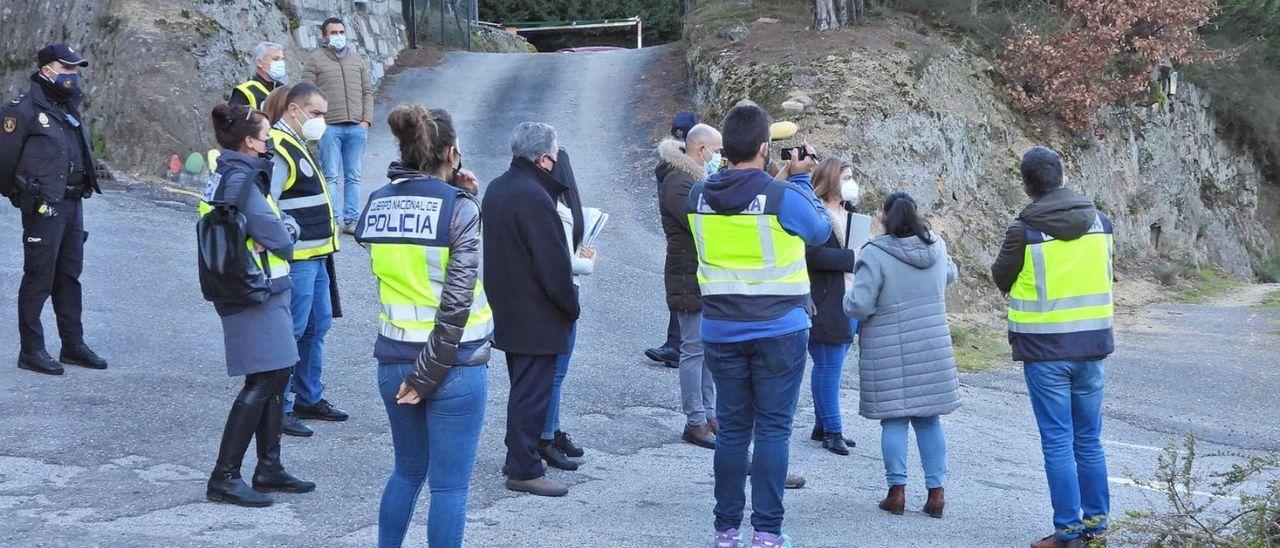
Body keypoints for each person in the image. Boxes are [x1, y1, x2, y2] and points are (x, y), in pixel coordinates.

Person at [688, 104, 830, 548]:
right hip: (779, 330)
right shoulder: (781, 196)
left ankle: (725, 529)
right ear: (766, 149)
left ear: (723, 149)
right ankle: (766, 532)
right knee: (772, 430)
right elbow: (821, 232)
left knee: (732, 432)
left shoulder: (697, 196)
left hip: (721, 329)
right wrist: (802, 177)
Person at [354, 103, 492, 548]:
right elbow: (455, 303)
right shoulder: (459, 207)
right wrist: (465, 198)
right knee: (449, 487)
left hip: (393, 357)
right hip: (453, 363)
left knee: (407, 470)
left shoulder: (377, 201)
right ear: (452, 153)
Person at [991, 147, 1114, 548]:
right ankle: (1096, 527)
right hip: (1092, 345)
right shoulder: (1102, 223)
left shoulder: (1023, 230)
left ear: (1027, 186)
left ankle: (1068, 532)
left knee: (1058, 440)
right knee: (1088, 439)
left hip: (1045, 352)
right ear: (1062, 177)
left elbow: (1001, 278)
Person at [201, 102, 314, 507]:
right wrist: (287, 228)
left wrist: (278, 229)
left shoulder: (226, 172)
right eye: (266, 137)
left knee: (277, 373)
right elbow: (281, 238)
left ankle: (269, 467)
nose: (269, 144)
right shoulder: (244, 180)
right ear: (250, 142)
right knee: (264, 379)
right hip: (255, 289)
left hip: (251, 286)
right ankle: (224, 475)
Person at [844, 190, 960, 520]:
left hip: (888, 349)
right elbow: (951, 274)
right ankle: (936, 494)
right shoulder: (936, 246)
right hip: (931, 345)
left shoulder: (875, 253)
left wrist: (845, 300)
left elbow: (860, 304)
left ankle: (897, 492)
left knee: (894, 419)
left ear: (884, 218)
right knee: (929, 419)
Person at [483, 122, 579, 498]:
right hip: (536, 312)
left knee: (522, 389)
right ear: (543, 159)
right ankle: (523, 467)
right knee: (531, 393)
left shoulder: (498, 187)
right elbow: (553, 264)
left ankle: (517, 456)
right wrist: (571, 305)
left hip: (508, 305)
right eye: (554, 158)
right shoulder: (535, 197)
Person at [0, 44, 108, 375]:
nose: (72, 76)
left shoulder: (69, 108)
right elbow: (4, 163)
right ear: (47, 69)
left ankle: (72, 345)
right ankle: (31, 350)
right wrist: (23, 197)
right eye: (67, 69)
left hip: (73, 204)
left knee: (68, 277)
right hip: (44, 206)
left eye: (75, 70)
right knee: (39, 278)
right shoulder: (22, 110)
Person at [269, 82, 347, 437]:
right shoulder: (278, 147)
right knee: (291, 331)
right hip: (298, 259)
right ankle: (280, 406)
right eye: (316, 114)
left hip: (316, 256)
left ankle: (308, 396)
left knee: (317, 327)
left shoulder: (299, 143)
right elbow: (267, 203)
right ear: (294, 110)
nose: (321, 122)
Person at [657, 122, 721, 448]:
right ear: (701, 150)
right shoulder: (681, 182)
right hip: (688, 275)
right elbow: (700, 224)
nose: (719, 158)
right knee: (693, 349)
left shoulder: (697, 180)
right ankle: (694, 420)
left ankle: (710, 414)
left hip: (701, 275)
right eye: (717, 151)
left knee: (708, 349)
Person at [538, 148, 594, 471]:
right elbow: (563, 262)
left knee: (558, 372)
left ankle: (552, 428)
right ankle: (546, 434)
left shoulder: (558, 208)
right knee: (555, 373)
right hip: (564, 293)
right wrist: (587, 261)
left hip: (567, 293)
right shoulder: (558, 210)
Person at [804, 158, 863, 456]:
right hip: (826, 299)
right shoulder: (815, 213)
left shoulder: (849, 213)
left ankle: (822, 424)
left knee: (831, 365)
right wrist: (852, 257)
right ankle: (833, 430)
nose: (851, 182)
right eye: (846, 177)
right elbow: (810, 255)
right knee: (829, 365)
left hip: (850, 298)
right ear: (830, 180)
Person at [303, 16, 374, 235]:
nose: (338, 36)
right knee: (331, 175)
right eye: (333, 33)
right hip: (329, 128)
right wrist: (316, 123)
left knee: (353, 176)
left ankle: (351, 221)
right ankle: (332, 220)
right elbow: (305, 92)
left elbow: (367, 91)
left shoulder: (357, 60)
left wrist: (365, 121)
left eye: (341, 32)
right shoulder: (315, 60)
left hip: (356, 127)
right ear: (325, 36)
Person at [645, 110, 702, 367]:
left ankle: (675, 344)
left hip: (683, 248)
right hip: (685, 248)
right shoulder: (680, 176)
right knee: (686, 295)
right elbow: (690, 219)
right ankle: (676, 346)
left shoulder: (674, 169)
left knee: (685, 295)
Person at [228, 41, 286, 110]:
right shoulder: (245, 91)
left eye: (282, 59)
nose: (281, 63)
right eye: (276, 59)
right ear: (259, 63)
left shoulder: (284, 89)